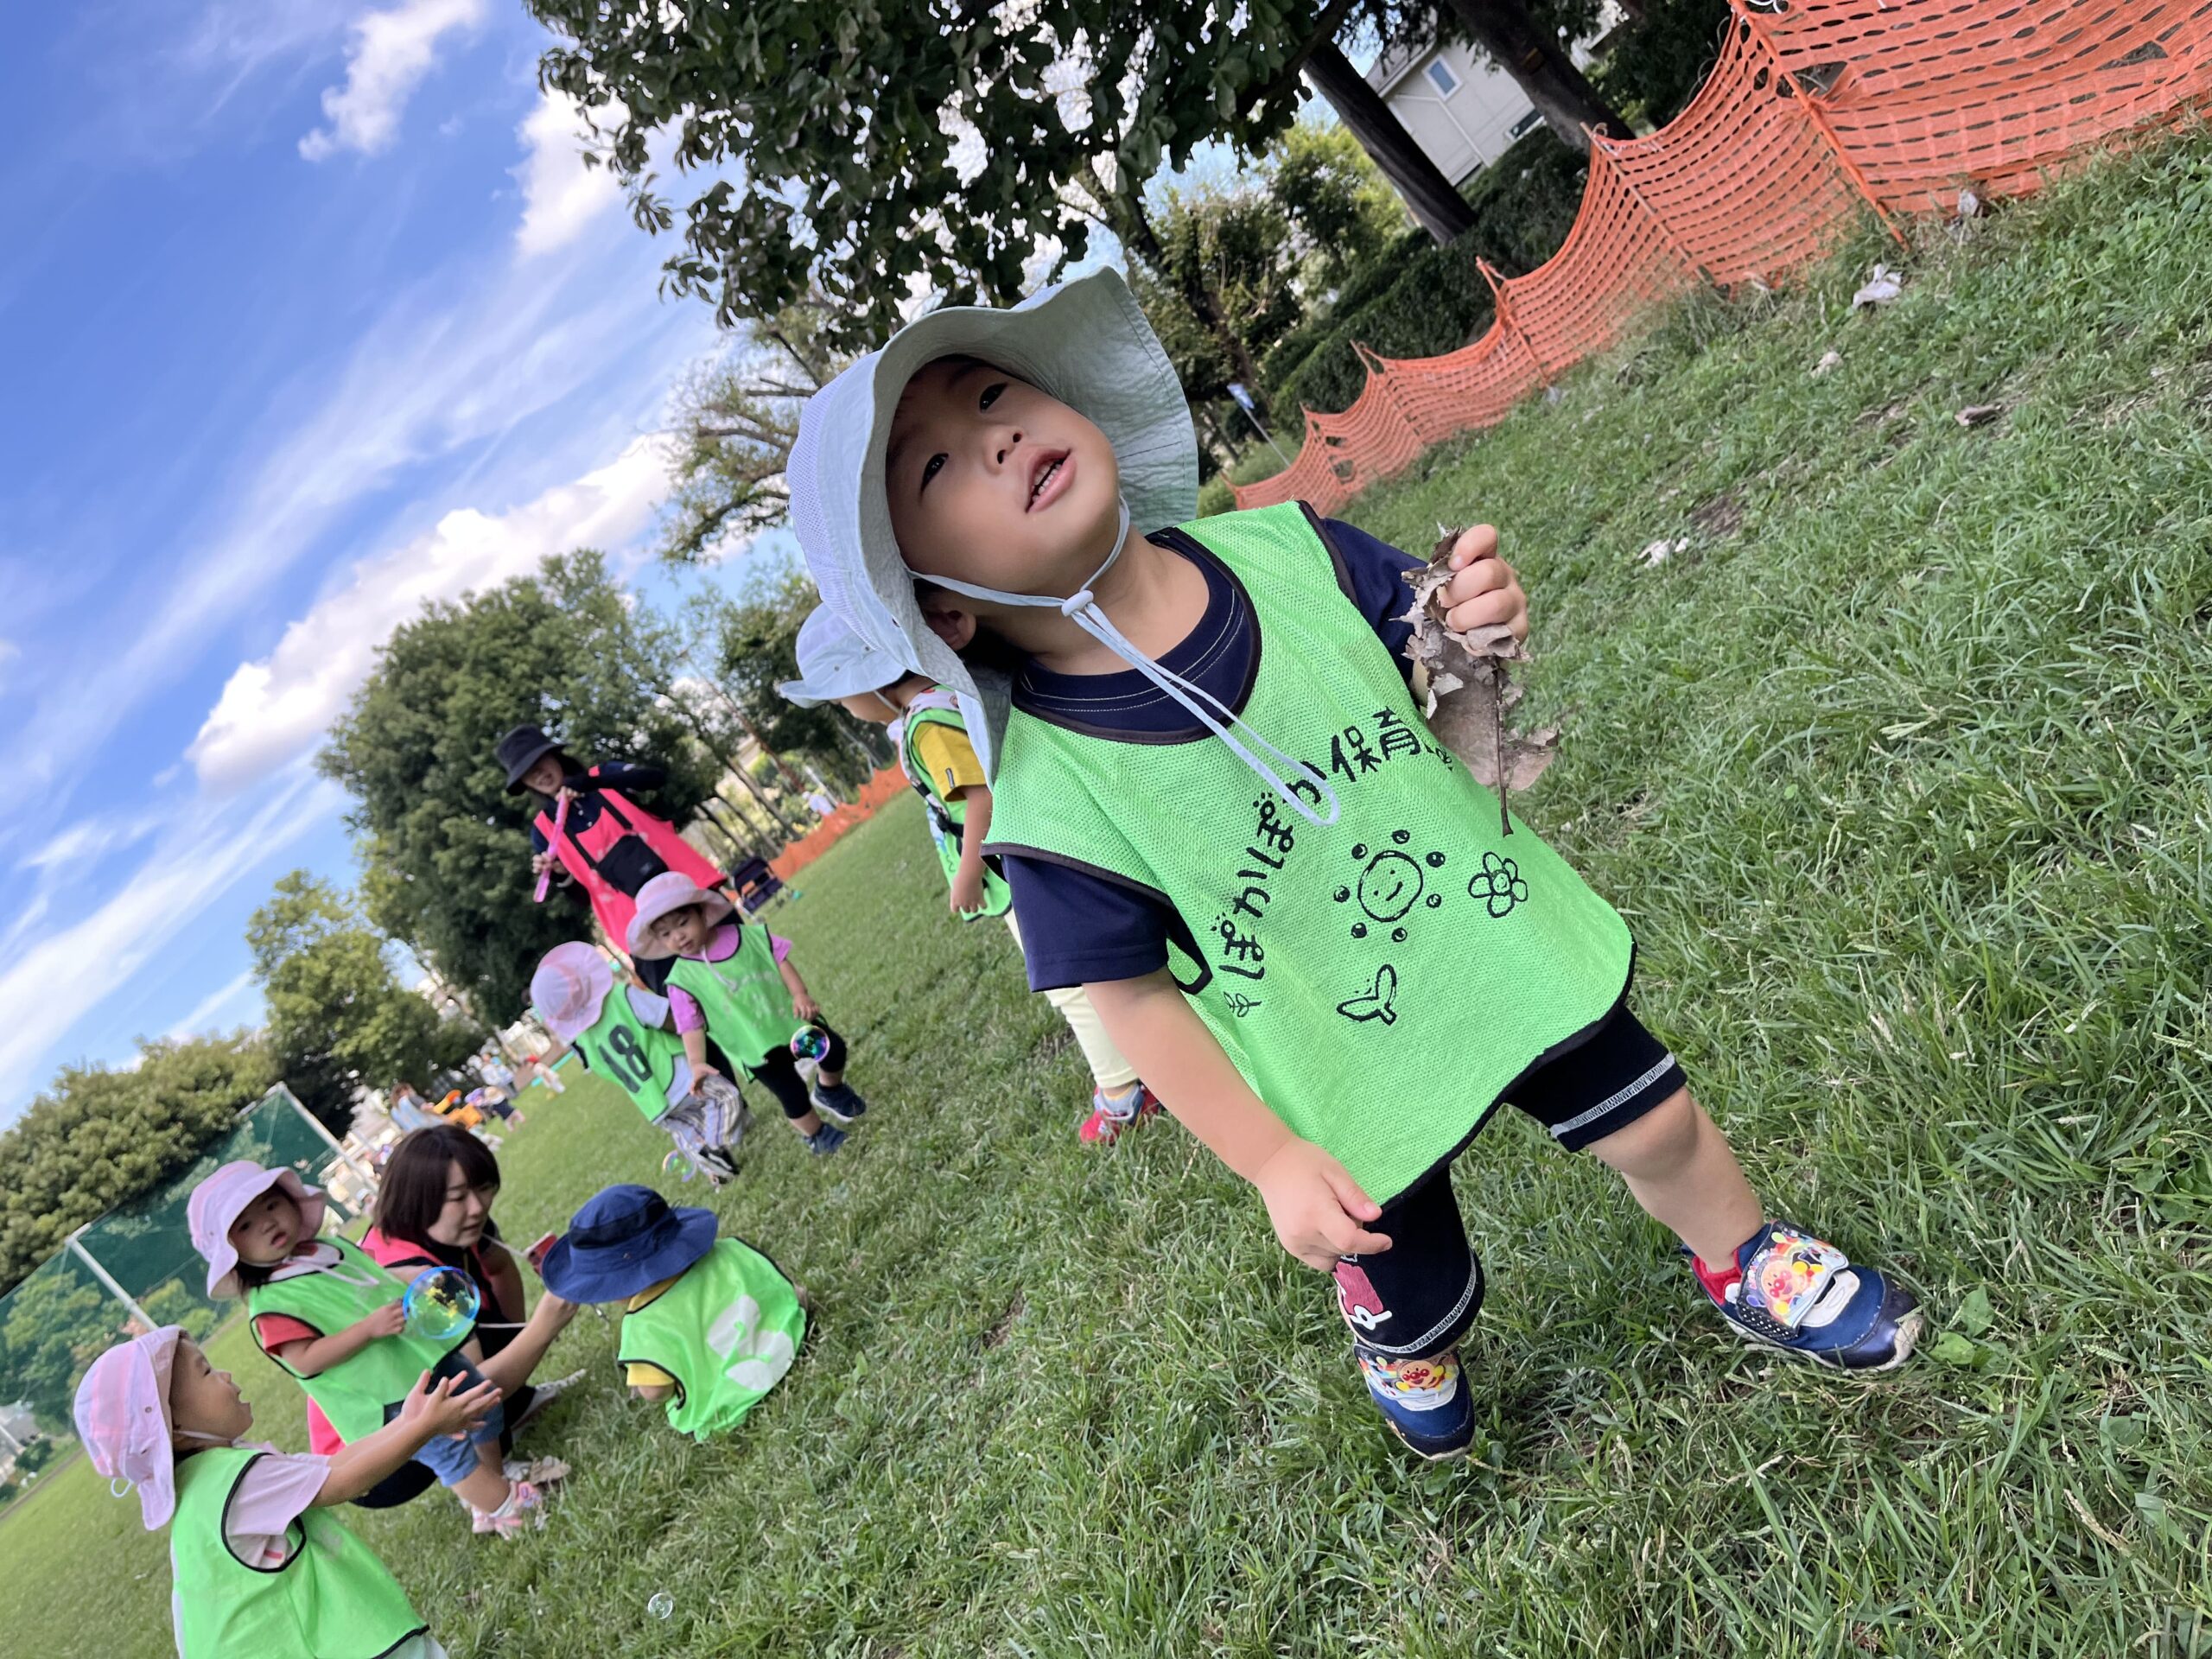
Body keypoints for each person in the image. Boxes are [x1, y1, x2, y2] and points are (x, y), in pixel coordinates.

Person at [780, 267, 1923, 1461]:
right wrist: (1272, 1159)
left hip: (1490, 936)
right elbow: (1132, 998)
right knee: (1405, 1271)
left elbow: (1431, 646)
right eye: (937, 465)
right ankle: (1401, 1343)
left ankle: (1742, 1256)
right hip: (1334, 1060)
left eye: (994, 395)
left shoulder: (1291, 552)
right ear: (942, 613)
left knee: (1656, 1125)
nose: (996, 436)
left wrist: (1473, 616)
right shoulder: (1051, 794)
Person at [779, 607, 1159, 1144]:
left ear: (871, 677)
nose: (845, 707)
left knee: (1071, 986)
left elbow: (980, 797)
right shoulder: (949, 695)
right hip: (1038, 852)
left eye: (840, 696)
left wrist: (968, 870)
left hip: (1014, 868)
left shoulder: (928, 723)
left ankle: (1124, 1092)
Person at [75, 1325, 497, 1658]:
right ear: (172, 1427)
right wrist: (423, 1428)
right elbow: (345, 1481)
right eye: (206, 1372)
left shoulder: (211, 1479)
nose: (226, 1375)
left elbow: (333, 1465)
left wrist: (406, 1423)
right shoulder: (235, 1483)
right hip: (322, 1644)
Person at [187, 1160, 556, 1534]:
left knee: (482, 1405)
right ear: (231, 1252)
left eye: (271, 1205)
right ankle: (512, 1509)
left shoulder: (326, 1250)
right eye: (246, 1226)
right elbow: (305, 1360)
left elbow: (374, 1281)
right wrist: (368, 1329)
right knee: (449, 1451)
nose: (268, 1223)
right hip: (385, 1398)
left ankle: (489, 1488)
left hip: (423, 1359)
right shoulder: (271, 1303)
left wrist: (412, 1284)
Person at [299, 1126, 582, 1510]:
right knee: (467, 1359)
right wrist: (541, 1330)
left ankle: (515, 1412)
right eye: (458, 1197)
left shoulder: (460, 1229)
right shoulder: (408, 1273)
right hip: (370, 1452)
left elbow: (500, 1267)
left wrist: (514, 1343)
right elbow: (469, 1390)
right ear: (418, 1200)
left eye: (484, 1188)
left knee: (480, 1334)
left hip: (420, 1399)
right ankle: (487, 1495)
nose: (477, 1206)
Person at [627, 872, 869, 1156]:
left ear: (703, 913)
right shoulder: (680, 980)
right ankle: (816, 1135)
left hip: (790, 1022)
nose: (678, 936)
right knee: (791, 1092)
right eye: (666, 934)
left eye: (683, 923)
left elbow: (779, 959)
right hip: (756, 1048)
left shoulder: (747, 936)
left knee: (833, 1051)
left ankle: (829, 1090)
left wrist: (800, 994)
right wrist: (697, 1064)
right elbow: (690, 1025)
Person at [539, 1184, 804, 1442]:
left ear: (608, 1284)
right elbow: (782, 1287)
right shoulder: (728, 1249)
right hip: (792, 1340)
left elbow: (655, 1391)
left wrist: (644, 1382)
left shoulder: (643, 1323)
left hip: (728, 1408)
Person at [495, 723, 732, 992]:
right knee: (693, 1007)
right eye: (528, 773)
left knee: (748, 969)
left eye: (540, 762)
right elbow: (582, 897)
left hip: (692, 899)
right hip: (646, 936)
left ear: (555, 755)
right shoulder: (543, 832)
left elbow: (655, 778)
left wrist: (592, 783)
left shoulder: (604, 775)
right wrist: (560, 875)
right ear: (524, 783)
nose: (539, 774)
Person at [530, 941, 749, 1184]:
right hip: (677, 1073)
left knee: (688, 1128)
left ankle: (713, 1169)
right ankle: (715, 1147)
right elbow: (667, 1017)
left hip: (650, 1100)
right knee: (725, 1097)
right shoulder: (621, 996)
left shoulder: (584, 1037)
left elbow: (603, 1069)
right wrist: (691, 1030)